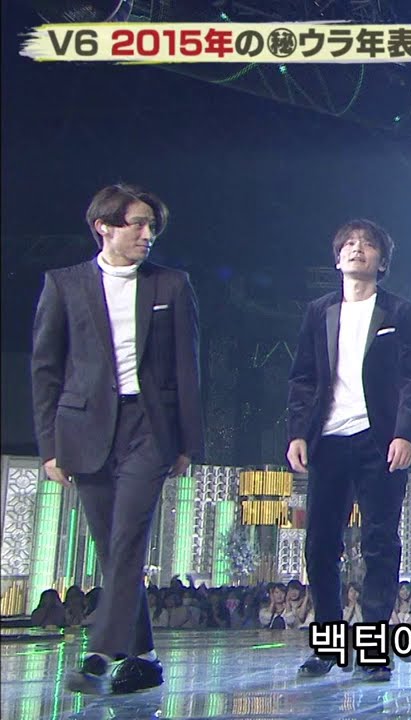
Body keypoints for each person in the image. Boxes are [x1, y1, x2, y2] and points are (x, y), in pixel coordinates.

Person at [32, 184, 203, 694]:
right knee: (111, 549)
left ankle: (101, 653)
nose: (148, 235)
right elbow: (46, 369)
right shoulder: (64, 284)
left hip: (149, 427)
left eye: (153, 226)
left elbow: (188, 366)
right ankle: (144, 657)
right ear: (103, 227)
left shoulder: (172, 285)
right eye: (138, 224)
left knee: (129, 538)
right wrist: (49, 446)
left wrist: (188, 443)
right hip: (85, 430)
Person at [287, 218, 411, 682]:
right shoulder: (319, 311)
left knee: (380, 543)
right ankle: (328, 645)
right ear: (337, 257)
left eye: (367, 244)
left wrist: (405, 434)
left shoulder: (399, 312)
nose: (357, 249)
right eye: (348, 243)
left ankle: (372, 649)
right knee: (319, 544)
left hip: (379, 441)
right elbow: (303, 377)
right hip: (327, 440)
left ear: (381, 261)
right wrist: (298, 433)